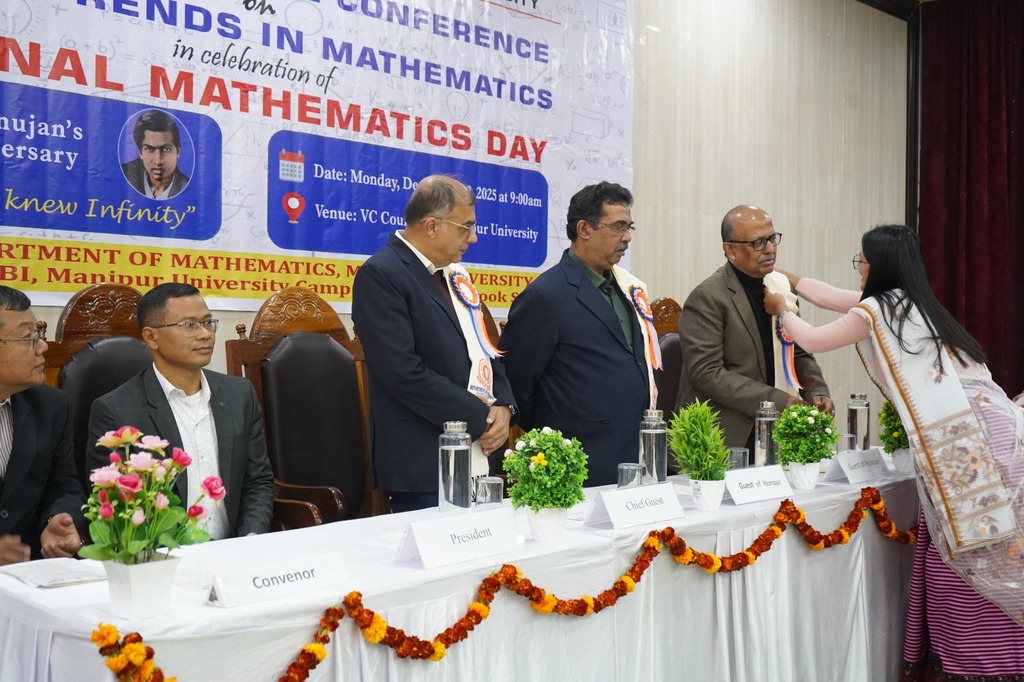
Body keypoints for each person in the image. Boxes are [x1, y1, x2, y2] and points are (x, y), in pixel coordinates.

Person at [764, 224, 1024, 678]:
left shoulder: (877, 310)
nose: (859, 269)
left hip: (968, 436)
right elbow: (833, 297)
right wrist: (789, 278)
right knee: (1002, 537)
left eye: (861, 261)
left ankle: (984, 655)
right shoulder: (911, 302)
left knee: (976, 545)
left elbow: (814, 339)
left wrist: (782, 309)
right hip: (996, 423)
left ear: (879, 265)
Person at [352, 175, 516, 513]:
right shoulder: (382, 274)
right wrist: (482, 419)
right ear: (431, 226)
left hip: (481, 451)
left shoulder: (455, 275)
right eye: (465, 227)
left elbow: (485, 347)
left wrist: (504, 407)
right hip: (425, 461)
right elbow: (402, 373)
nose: (473, 237)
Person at [499, 181, 658, 487]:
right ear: (584, 229)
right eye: (618, 226)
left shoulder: (625, 287)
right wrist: (557, 433)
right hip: (579, 461)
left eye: (629, 227)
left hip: (633, 452)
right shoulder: (545, 295)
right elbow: (517, 383)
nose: (626, 237)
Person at [86, 283, 273, 538]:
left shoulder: (239, 394)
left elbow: (257, 481)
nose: (205, 334)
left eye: (208, 322)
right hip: (165, 554)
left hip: (237, 549)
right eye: (189, 325)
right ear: (151, 337)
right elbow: (117, 506)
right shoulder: (116, 411)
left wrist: (251, 537)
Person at [676, 205, 832, 449]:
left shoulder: (781, 287)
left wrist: (816, 389)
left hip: (775, 430)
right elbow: (707, 373)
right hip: (722, 436)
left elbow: (798, 351)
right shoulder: (708, 297)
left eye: (772, 238)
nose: (770, 249)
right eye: (758, 243)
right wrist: (780, 402)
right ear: (730, 250)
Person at [0, 286, 86, 565]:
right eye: (29, 338)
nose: (43, 346)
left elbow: (64, 485)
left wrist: (58, 518)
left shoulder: (50, 406)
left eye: (38, 334)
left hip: (31, 573)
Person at [121, 109, 190, 200]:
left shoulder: (190, 188)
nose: (158, 161)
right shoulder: (121, 176)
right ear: (140, 152)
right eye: (150, 149)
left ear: (178, 152)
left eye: (166, 149)